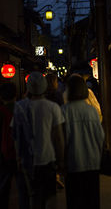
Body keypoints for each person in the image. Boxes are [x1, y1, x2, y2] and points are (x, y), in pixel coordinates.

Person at [13, 71, 65, 209]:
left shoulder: (19, 107)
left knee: (28, 198)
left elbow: (16, 135)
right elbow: (58, 136)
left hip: (26, 160)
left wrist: (17, 158)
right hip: (47, 159)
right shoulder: (52, 107)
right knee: (48, 197)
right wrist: (61, 160)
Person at [62, 74, 105, 209]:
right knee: (92, 200)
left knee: (74, 201)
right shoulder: (92, 111)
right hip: (92, 163)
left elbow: (62, 139)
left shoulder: (64, 111)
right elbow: (100, 137)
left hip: (73, 163)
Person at [0, 82, 17, 209]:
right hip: (18, 152)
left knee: (3, 186)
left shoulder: (1, 111)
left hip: (3, 153)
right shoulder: (20, 108)